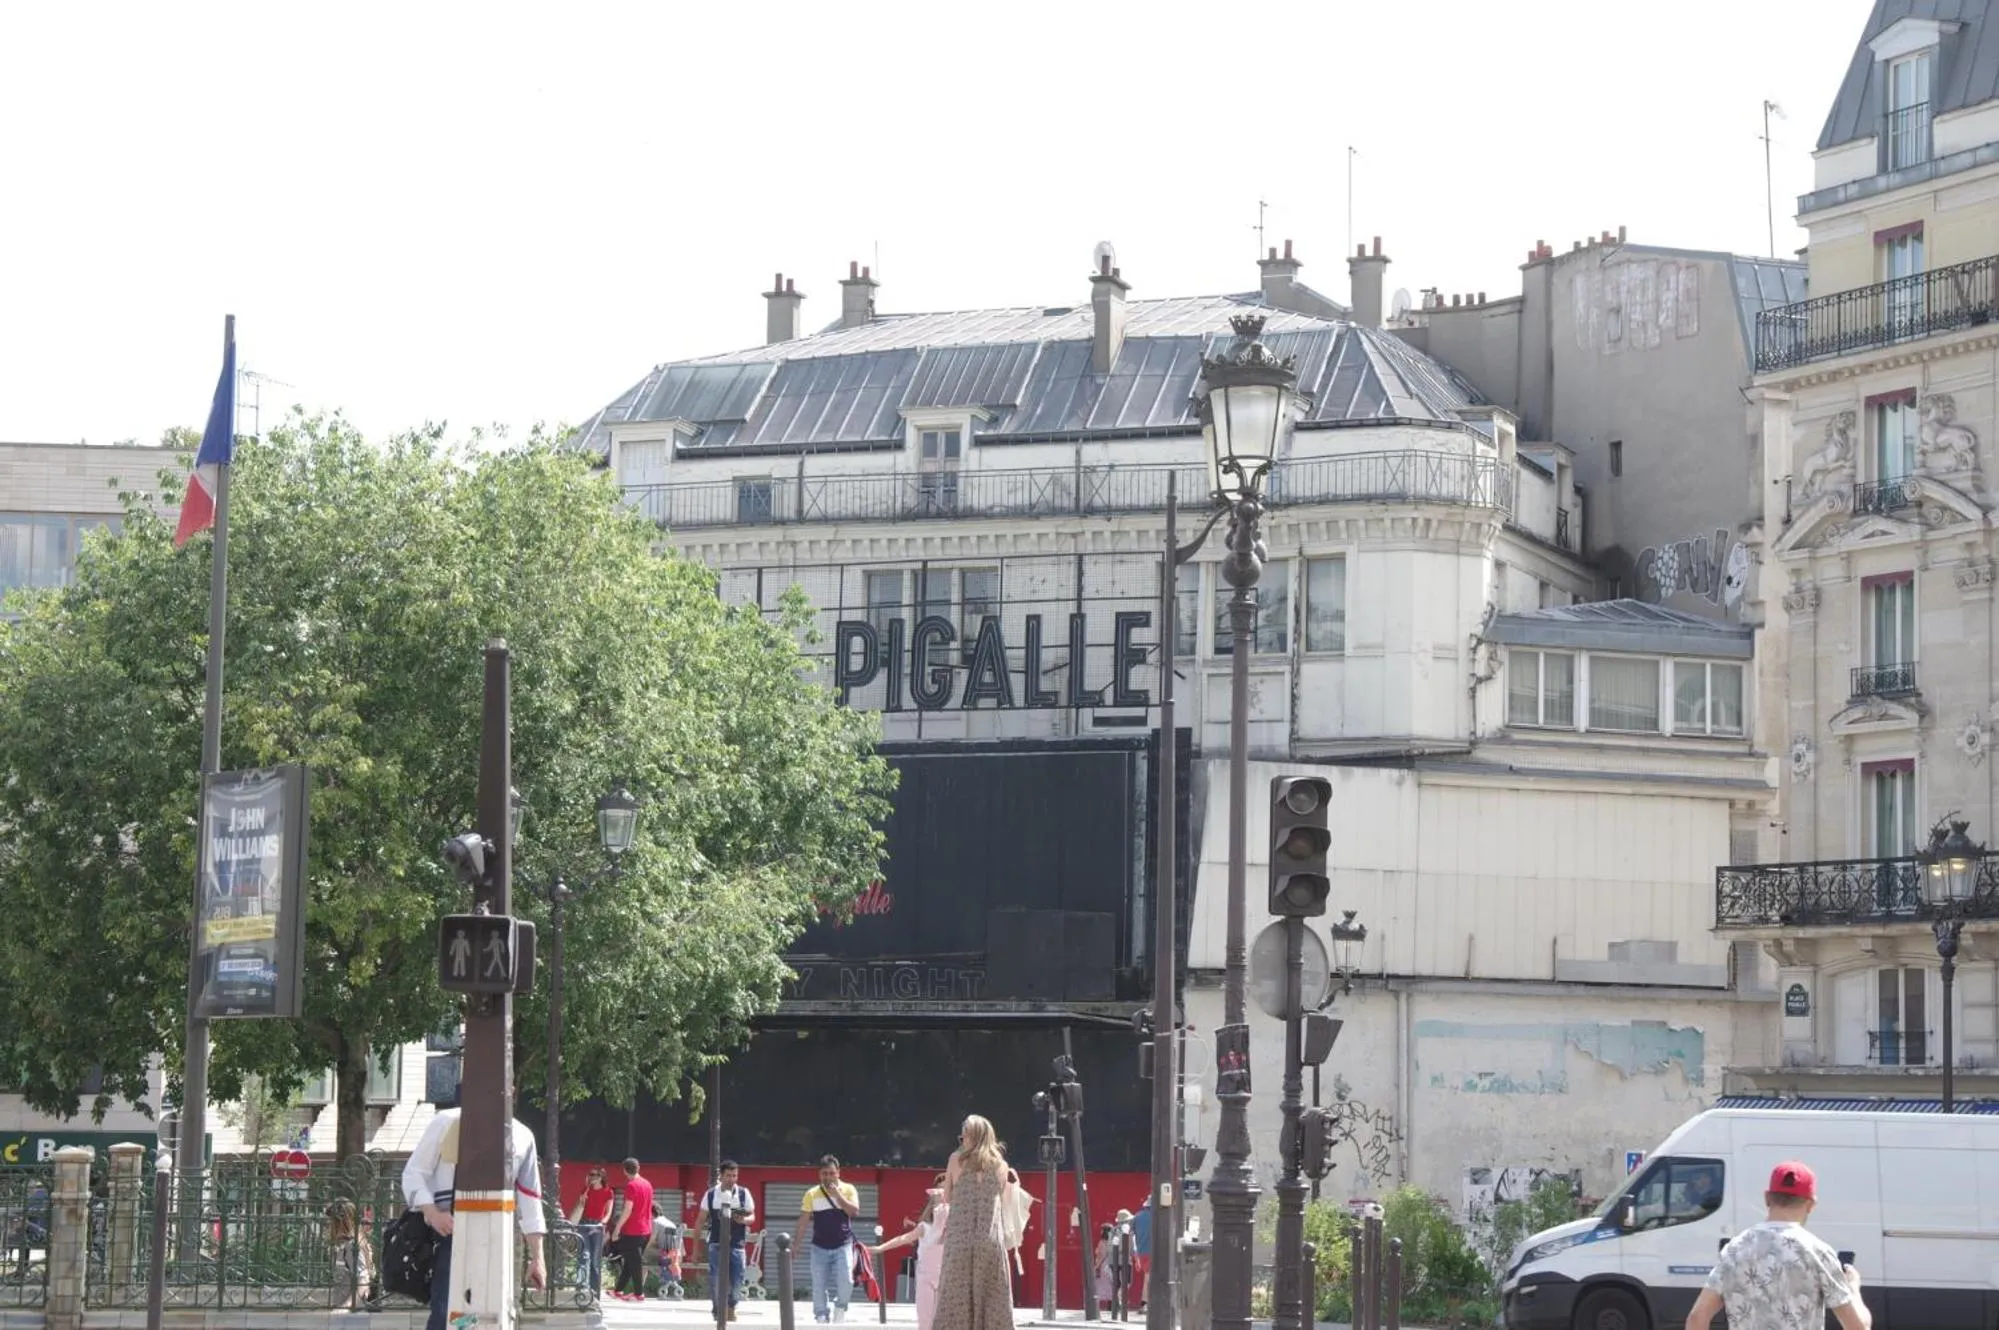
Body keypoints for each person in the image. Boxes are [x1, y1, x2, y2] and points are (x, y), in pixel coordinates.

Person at [401, 1106, 548, 1330]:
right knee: (446, 1313)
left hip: (498, 1241)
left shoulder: (522, 1135)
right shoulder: (446, 1122)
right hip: (450, 1234)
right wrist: (432, 1213)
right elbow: (413, 1173)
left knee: (490, 1315)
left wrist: (538, 1257)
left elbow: (530, 1199)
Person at [1686, 1160, 1871, 1330]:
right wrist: (1853, 1288)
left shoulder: (1735, 1249)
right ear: (1811, 1204)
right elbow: (1858, 1327)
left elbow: (1697, 1317)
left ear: (1767, 1198)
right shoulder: (1817, 1252)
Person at [932, 1116, 1017, 1330]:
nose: (962, 1141)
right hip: (990, 1240)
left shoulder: (955, 1160)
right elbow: (1002, 1199)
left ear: (973, 1137)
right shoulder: (1002, 1166)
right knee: (992, 1297)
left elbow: (947, 1197)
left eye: (964, 1137)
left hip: (960, 1238)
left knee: (954, 1297)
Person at [867, 1175, 948, 1330]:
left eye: (946, 1190)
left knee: (944, 1323)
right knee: (925, 1323)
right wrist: (880, 1248)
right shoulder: (924, 1227)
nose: (941, 1194)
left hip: (946, 1280)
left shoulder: (956, 1225)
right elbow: (903, 1238)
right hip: (925, 1279)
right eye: (939, 1191)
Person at [797, 1154, 862, 1324]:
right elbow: (803, 1221)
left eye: (831, 1173)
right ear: (819, 1174)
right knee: (819, 1284)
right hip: (819, 1246)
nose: (828, 1177)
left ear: (838, 1172)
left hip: (843, 1245)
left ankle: (840, 1307)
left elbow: (854, 1211)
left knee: (847, 1280)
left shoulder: (849, 1189)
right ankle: (821, 1315)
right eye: (824, 1173)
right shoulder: (812, 1194)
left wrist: (838, 1195)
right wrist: (796, 1245)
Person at [701, 1160, 755, 1320]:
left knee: (738, 1277)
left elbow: (752, 1215)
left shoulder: (743, 1193)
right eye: (728, 1175)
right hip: (716, 1242)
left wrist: (744, 1220)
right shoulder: (711, 1194)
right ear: (721, 1176)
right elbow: (700, 1219)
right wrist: (696, 1249)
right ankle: (718, 1310)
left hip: (737, 1243)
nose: (732, 1179)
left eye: (734, 1175)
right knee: (716, 1278)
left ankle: (731, 1305)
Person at [609, 1158, 656, 1302]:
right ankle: (618, 1290)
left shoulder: (631, 1186)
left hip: (633, 1230)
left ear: (624, 1170)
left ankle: (638, 1294)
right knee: (630, 1262)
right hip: (646, 1229)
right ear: (638, 1168)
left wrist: (617, 1228)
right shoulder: (647, 1184)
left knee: (634, 1263)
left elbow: (628, 1209)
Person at [567, 1166, 616, 1295]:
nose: (592, 1178)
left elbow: (608, 1212)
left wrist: (602, 1223)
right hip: (584, 1224)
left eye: (595, 1175)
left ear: (601, 1177)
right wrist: (581, 1200)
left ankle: (594, 1291)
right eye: (590, 1175)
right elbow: (579, 1208)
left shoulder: (608, 1192)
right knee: (583, 1257)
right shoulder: (586, 1189)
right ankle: (581, 1289)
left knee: (595, 1260)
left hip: (597, 1226)